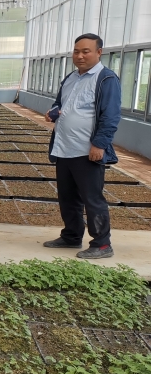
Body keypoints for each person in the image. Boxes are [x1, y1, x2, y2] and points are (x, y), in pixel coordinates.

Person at [43, 33, 121, 259]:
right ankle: (71, 235)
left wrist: (99, 144)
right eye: (76, 51)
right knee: (67, 197)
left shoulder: (106, 79)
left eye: (85, 51)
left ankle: (102, 244)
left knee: (92, 198)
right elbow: (60, 103)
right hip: (64, 147)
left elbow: (111, 116)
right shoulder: (71, 78)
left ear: (99, 52)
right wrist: (53, 111)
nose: (79, 56)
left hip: (87, 150)